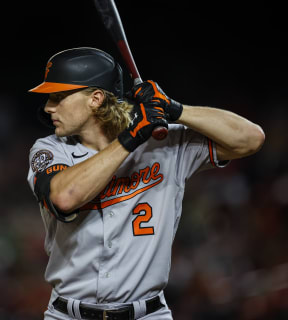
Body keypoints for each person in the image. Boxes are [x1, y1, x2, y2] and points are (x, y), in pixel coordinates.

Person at [26, 47, 264, 320]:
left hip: (147, 313)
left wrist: (175, 109)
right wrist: (131, 137)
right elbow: (64, 198)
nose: (48, 107)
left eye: (58, 97)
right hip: (68, 314)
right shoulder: (49, 150)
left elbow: (251, 139)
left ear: (95, 98)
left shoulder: (164, 142)